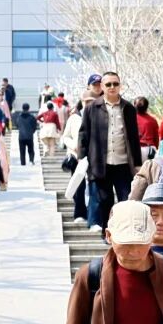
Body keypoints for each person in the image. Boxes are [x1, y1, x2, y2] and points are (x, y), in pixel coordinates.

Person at [77, 71, 142, 232]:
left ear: (120, 86)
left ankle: (124, 231)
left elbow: (134, 138)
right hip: (100, 163)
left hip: (123, 164)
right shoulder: (92, 107)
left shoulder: (128, 108)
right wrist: (82, 157)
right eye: (108, 84)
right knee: (103, 201)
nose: (112, 87)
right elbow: (83, 134)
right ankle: (107, 233)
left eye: (115, 84)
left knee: (126, 199)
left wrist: (138, 163)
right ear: (102, 87)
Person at [61, 91, 95, 224]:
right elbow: (65, 137)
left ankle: (93, 215)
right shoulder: (74, 118)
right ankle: (79, 213)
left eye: (91, 102)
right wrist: (73, 145)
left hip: (94, 156)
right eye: (87, 102)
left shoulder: (99, 116)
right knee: (78, 186)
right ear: (81, 102)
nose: (89, 104)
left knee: (94, 187)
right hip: (77, 157)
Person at [133, 97, 159, 162]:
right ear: (147, 107)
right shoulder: (152, 120)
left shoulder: (130, 119)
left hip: (136, 149)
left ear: (134, 106)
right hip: (151, 150)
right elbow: (156, 138)